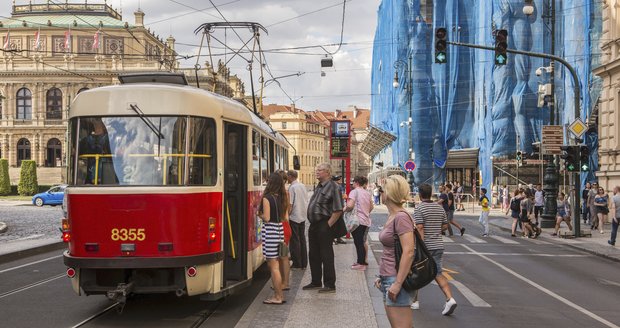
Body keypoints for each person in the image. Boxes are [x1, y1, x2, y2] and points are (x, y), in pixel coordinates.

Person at [374, 175, 415, 327]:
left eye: (382, 190)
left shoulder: (401, 217)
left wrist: (397, 283)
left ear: (389, 193)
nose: (380, 193)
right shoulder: (393, 216)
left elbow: (409, 251)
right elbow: (390, 250)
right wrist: (381, 276)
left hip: (396, 279)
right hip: (388, 277)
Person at [410, 183, 457, 315]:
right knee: (438, 273)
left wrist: (420, 245)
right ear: (431, 194)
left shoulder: (420, 209)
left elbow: (420, 227)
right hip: (438, 245)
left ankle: (415, 302)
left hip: (426, 247)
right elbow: (445, 226)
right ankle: (450, 299)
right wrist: (435, 230)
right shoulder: (439, 208)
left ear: (419, 194)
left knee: (416, 272)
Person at [303, 163, 343, 293]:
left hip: (324, 224)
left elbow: (338, 210)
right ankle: (316, 281)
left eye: (320, 170)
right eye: (317, 170)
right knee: (313, 254)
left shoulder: (334, 187)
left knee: (326, 255)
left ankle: (330, 284)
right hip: (314, 225)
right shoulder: (319, 187)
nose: (317, 172)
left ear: (327, 172)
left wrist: (328, 225)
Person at [258, 172, 290, 305]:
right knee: (279, 261)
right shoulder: (282, 198)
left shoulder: (267, 198)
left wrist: (258, 214)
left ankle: (278, 296)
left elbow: (267, 217)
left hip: (270, 232)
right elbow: (285, 217)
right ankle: (279, 295)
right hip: (279, 231)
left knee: (274, 266)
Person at [345, 176, 374, 271]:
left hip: (357, 221)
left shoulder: (354, 191)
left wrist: (343, 210)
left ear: (356, 183)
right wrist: (365, 212)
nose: (352, 184)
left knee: (358, 242)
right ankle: (361, 261)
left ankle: (361, 264)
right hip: (365, 221)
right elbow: (371, 207)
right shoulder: (367, 193)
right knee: (361, 241)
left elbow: (350, 205)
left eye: (353, 182)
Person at [286, 170, 309, 269]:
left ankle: (297, 263)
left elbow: (290, 204)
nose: (287, 178)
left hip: (294, 216)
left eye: (287, 176)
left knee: (295, 240)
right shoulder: (302, 186)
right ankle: (304, 262)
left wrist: (287, 215)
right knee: (302, 239)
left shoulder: (292, 187)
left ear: (291, 176)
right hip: (302, 216)